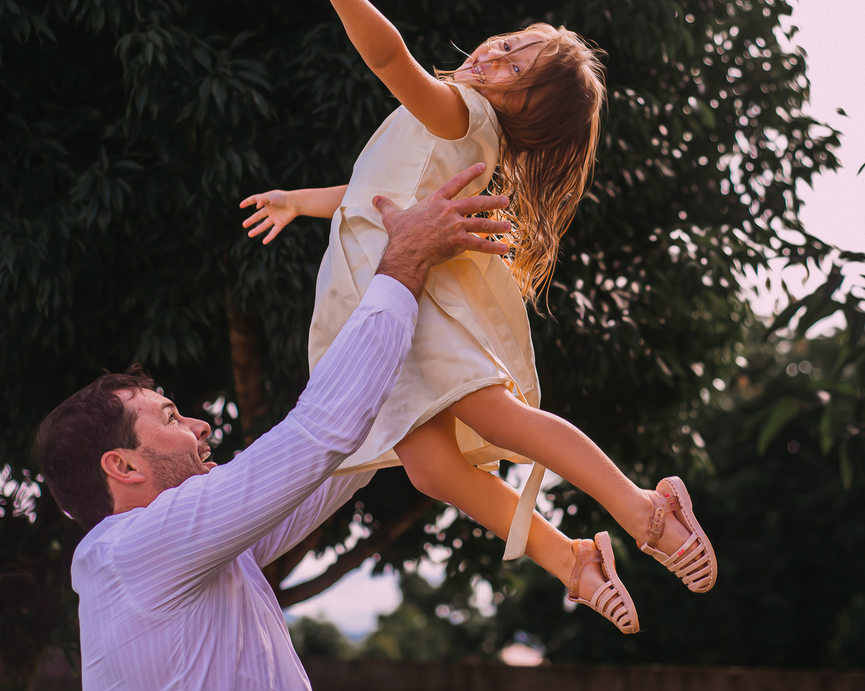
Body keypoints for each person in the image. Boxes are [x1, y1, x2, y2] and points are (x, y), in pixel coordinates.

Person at [238, 0, 716, 635]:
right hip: (384, 296)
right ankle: (574, 560)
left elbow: (391, 59)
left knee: (498, 420)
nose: (497, 50)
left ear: (521, 110)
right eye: (511, 39)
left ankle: (644, 509)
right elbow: (370, 189)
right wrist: (298, 201)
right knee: (430, 471)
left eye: (517, 63)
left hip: (411, 294)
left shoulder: (466, 112)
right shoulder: (453, 118)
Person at [35, 164, 511, 691]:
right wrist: (405, 258)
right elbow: (319, 433)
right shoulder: (133, 550)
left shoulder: (194, 555)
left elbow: (336, 460)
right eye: (171, 417)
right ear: (122, 465)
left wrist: (414, 334)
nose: (200, 426)